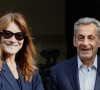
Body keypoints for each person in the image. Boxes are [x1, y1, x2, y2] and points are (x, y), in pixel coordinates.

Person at [49, 17, 100, 90]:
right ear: (74, 41)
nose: (85, 43)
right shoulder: (58, 72)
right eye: (81, 38)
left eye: (91, 38)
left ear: (99, 42)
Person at [0, 12, 44, 90]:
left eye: (19, 35)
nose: (13, 40)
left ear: (25, 40)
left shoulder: (30, 69)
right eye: (7, 34)